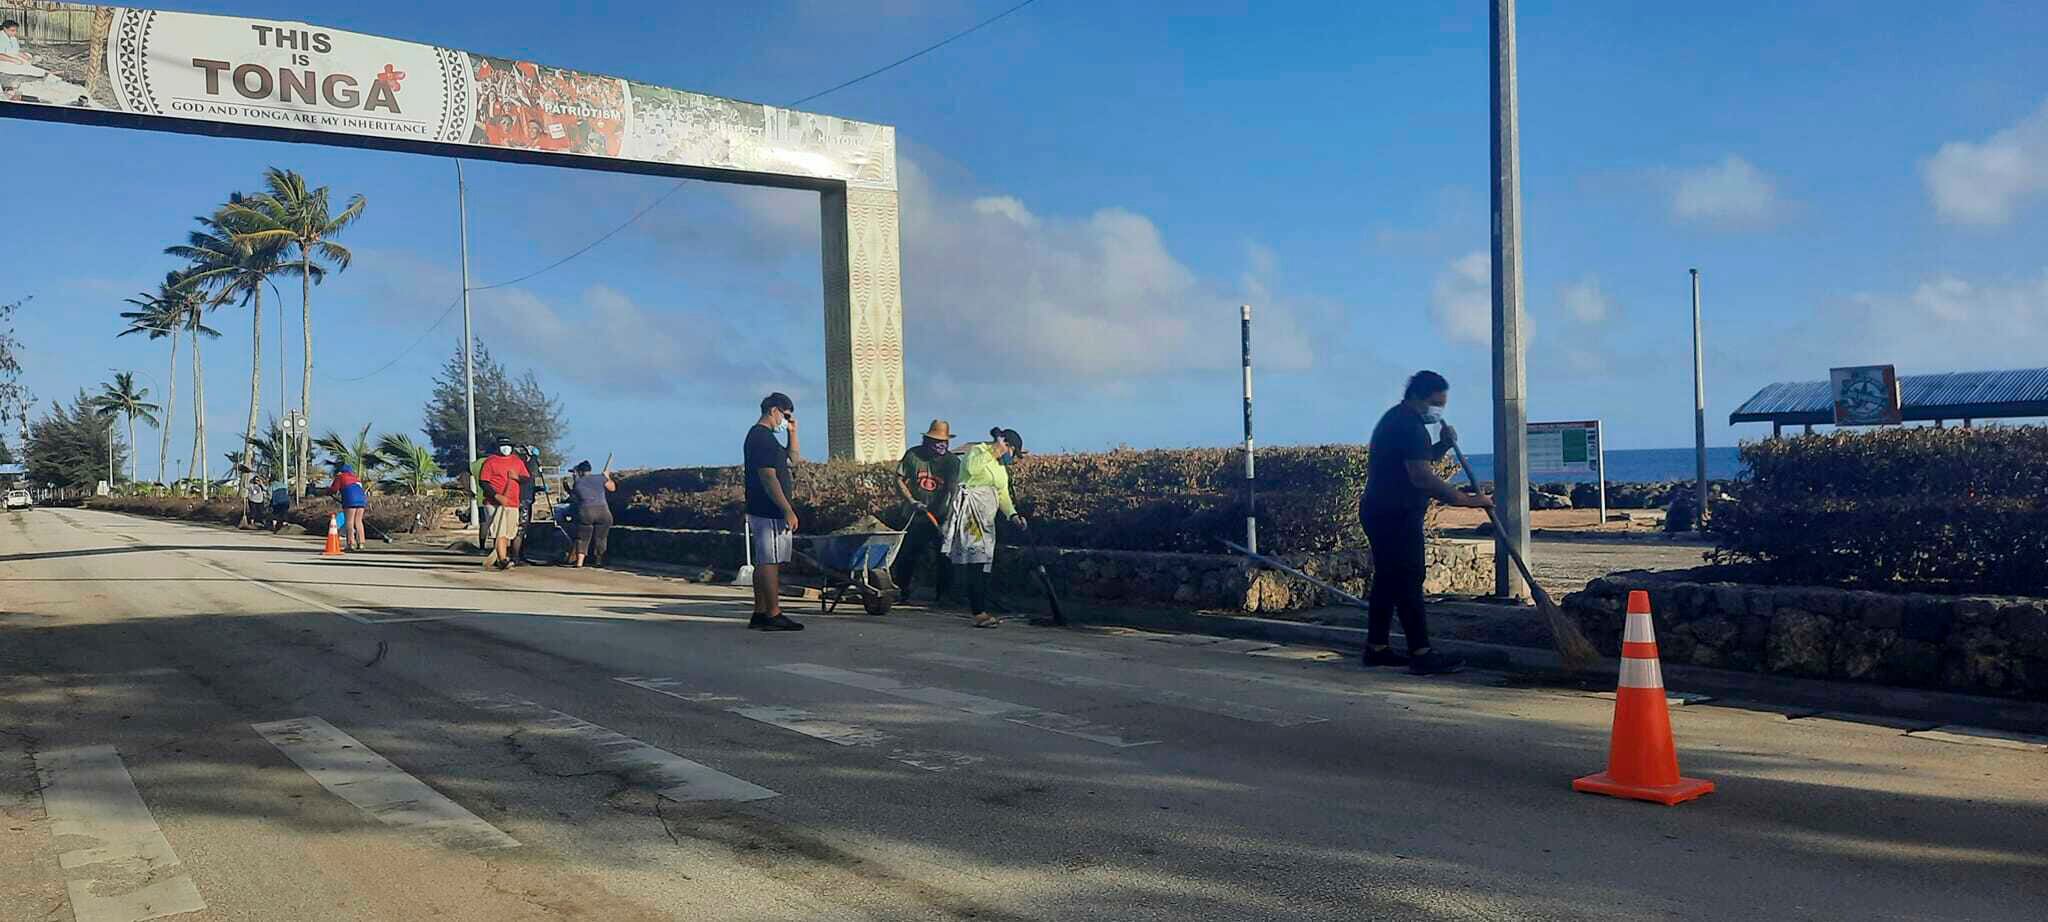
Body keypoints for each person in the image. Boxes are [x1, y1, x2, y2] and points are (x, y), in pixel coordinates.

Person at [1359, 371, 1494, 676]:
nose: (1439, 410)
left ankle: (1376, 648)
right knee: (1409, 578)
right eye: (1436, 403)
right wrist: (1468, 500)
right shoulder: (1410, 427)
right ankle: (1421, 653)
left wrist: (1442, 446)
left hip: (1380, 511)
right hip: (1396, 515)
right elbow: (1422, 477)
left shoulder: (1397, 420)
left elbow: (1417, 460)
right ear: (1417, 396)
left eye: (1442, 404)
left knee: (1388, 580)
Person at [941, 428, 1029, 629]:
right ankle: (978, 612)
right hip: (971, 515)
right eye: (1012, 451)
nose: (1011, 457)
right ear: (1005, 445)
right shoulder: (978, 451)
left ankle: (981, 605)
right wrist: (993, 451)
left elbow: (1002, 494)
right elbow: (971, 469)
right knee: (976, 559)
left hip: (987, 518)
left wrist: (1013, 515)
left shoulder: (1000, 468)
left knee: (984, 562)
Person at [744, 393, 803, 631]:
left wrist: (792, 433)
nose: (786, 421)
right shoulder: (762, 438)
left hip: (764, 509)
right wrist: (787, 509)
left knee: (764, 560)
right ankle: (773, 613)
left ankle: (760, 611)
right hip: (768, 509)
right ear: (774, 410)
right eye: (785, 416)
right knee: (770, 561)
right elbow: (768, 477)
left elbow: (794, 460)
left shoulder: (766, 438)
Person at [893, 419, 958, 604]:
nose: (941, 445)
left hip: (939, 517)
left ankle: (944, 596)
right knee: (908, 555)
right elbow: (898, 479)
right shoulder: (913, 455)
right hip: (914, 516)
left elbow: (953, 490)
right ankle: (902, 591)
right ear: (927, 441)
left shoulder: (952, 462)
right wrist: (912, 501)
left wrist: (949, 518)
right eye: (937, 441)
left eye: (944, 442)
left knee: (944, 557)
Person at [477, 436, 526, 570]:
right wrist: (496, 496)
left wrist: (516, 477)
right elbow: (483, 482)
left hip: (512, 502)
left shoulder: (517, 461)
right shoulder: (490, 462)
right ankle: (503, 559)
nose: (506, 448)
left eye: (508, 446)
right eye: (503, 446)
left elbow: (526, 478)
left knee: (508, 533)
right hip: (494, 503)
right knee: (499, 531)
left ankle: (500, 558)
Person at [569, 460, 614, 567]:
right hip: (603, 511)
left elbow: (575, 497)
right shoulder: (600, 478)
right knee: (601, 537)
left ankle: (580, 562)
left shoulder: (578, 483)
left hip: (586, 511)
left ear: (580, 472)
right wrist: (607, 477)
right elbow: (612, 488)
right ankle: (599, 560)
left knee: (583, 537)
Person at [330, 464, 369, 551]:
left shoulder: (340, 477)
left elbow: (334, 489)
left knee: (349, 522)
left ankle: (351, 543)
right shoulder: (356, 478)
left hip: (350, 500)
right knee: (358, 521)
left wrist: (328, 492)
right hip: (362, 500)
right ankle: (361, 543)